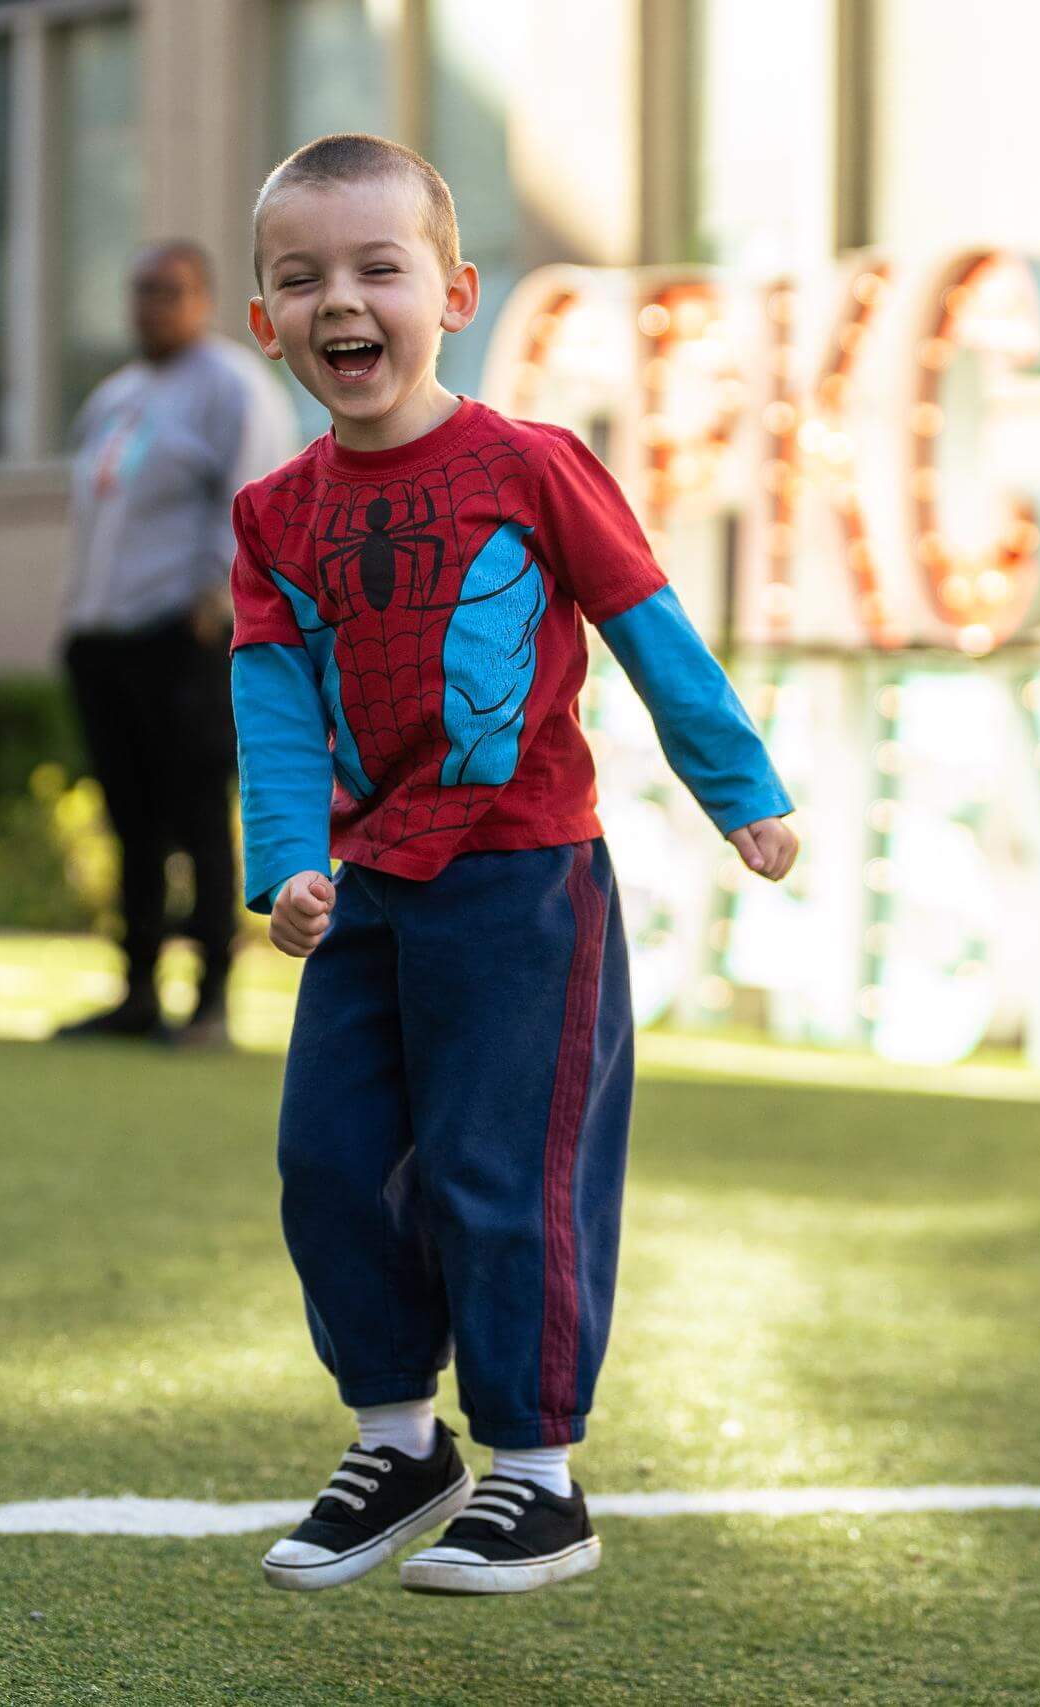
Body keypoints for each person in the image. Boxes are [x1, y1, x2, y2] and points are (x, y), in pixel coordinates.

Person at [231, 134, 800, 1597]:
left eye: (378, 269)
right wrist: (288, 861)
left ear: (455, 292)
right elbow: (277, 701)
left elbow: (650, 630)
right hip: (365, 890)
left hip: (522, 879)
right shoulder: (274, 516)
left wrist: (739, 789)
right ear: (264, 321)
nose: (340, 302)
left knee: (503, 1168)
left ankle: (537, 1475)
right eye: (302, 279)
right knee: (331, 1162)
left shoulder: (532, 467)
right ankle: (398, 1442)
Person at [55, 239, 297, 1049]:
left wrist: (215, 609)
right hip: (105, 637)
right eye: (139, 289)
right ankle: (135, 992)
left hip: (183, 637)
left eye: (167, 290)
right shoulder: (118, 395)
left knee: (197, 812)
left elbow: (254, 500)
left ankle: (211, 1001)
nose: (148, 305)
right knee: (131, 820)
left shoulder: (231, 386)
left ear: (203, 297)